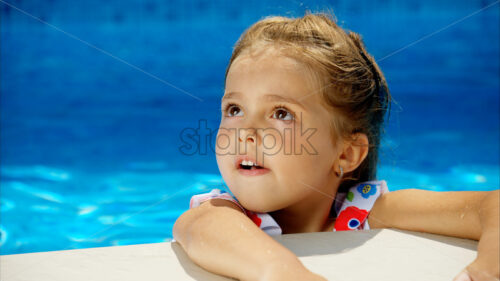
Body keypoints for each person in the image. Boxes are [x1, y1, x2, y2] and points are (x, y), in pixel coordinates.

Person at [173, 12, 499, 281]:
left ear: (346, 154)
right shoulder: (226, 213)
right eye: (234, 110)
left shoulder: (363, 212)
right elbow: (198, 227)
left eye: (281, 113)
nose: (246, 132)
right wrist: (281, 271)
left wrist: (489, 265)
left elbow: (491, 205)